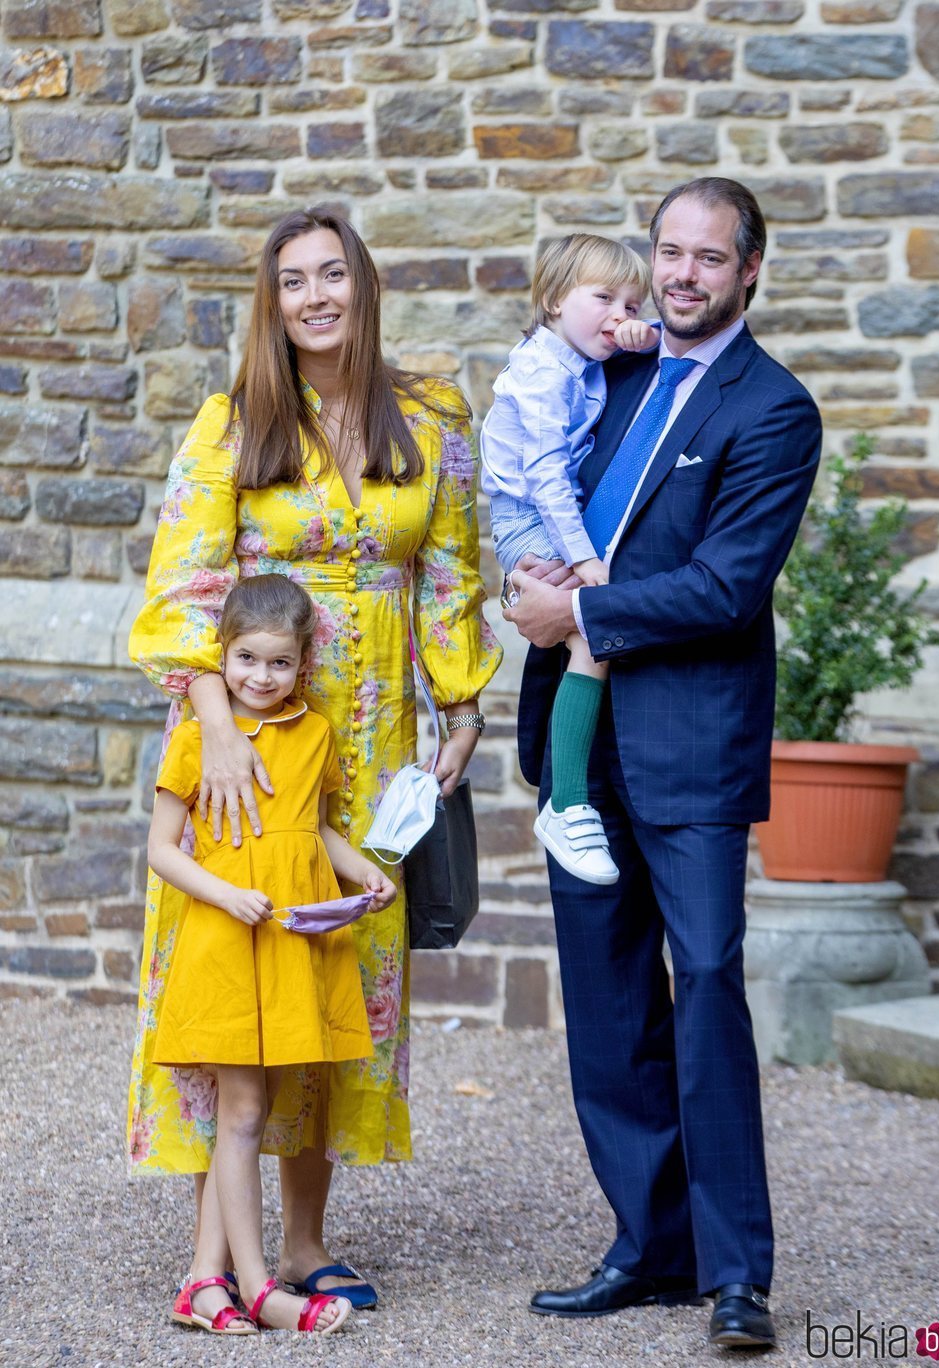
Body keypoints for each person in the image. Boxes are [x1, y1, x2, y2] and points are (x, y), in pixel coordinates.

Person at [128, 206, 502, 1326]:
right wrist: (219, 723)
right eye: (292, 280)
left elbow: (450, 568)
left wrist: (463, 702)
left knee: (334, 974)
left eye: (331, 272)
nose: (314, 295)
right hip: (247, 727)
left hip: (375, 729)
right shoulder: (234, 417)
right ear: (272, 302)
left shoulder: (430, 415)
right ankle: (217, 1256)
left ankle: (301, 1245)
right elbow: (185, 589)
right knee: (235, 972)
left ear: (363, 283)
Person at [503, 177, 823, 1351]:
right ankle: (647, 1248)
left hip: (688, 750)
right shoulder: (606, 373)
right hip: (583, 754)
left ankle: (735, 1276)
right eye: (666, 252)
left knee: (703, 1002)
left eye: (707, 258)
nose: (681, 275)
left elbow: (726, 586)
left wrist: (579, 618)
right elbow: (533, 497)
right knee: (605, 1004)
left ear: (750, 271)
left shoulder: (773, 409)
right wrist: (518, 586)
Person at [150, 574, 397, 1334]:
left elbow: (309, 826)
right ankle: (255, 1285)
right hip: (227, 939)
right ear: (222, 655)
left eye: (279, 663)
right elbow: (161, 852)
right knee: (246, 1106)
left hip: (290, 941)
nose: (261, 677)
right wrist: (225, 896)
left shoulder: (315, 733)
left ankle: (208, 1285)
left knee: (259, 1109)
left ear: (303, 662)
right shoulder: (196, 740)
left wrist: (360, 869)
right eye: (247, 659)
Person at [481, 234, 658, 887]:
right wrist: (585, 566)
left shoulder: (578, 358)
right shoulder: (542, 374)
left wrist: (641, 330)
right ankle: (568, 802)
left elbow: (655, 332)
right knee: (596, 627)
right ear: (554, 300)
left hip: (553, 515)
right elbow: (548, 478)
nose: (619, 313)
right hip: (532, 518)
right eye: (603, 297)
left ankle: (570, 800)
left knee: (595, 636)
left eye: (632, 301)